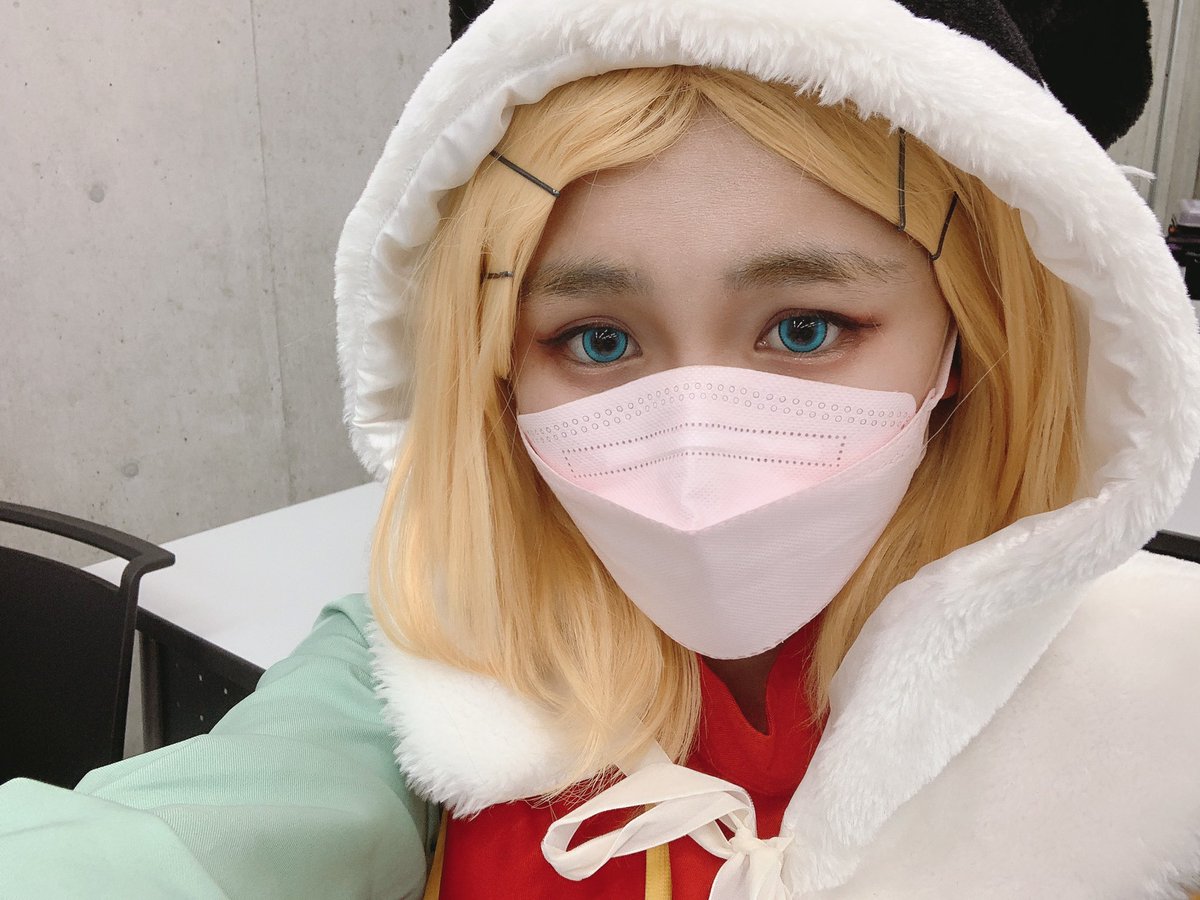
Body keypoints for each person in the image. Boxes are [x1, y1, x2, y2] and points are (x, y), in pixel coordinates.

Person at [3, 1, 1200, 897]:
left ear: (969, 342)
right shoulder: (429, 656)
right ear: (495, 367)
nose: (695, 446)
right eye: (598, 339)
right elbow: (179, 845)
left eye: (805, 327)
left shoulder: (1155, 704)